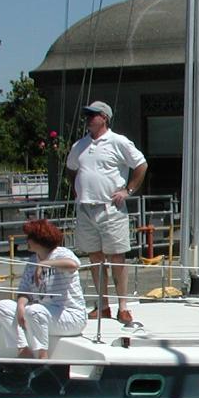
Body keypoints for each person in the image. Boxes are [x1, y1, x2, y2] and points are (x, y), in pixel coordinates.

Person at [65, 101, 147, 327]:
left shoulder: (118, 142)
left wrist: (128, 190)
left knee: (117, 257)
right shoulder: (79, 146)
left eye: (92, 115)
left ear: (104, 117)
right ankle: (102, 305)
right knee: (95, 258)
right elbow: (71, 169)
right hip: (86, 207)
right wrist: (77, 189)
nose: (88, 118)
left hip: (110, 207)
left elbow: (141, 165)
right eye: (86, 115)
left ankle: (123, 306)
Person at [0, 218, 87, 359]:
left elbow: (73, 264)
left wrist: (45, 263)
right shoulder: (32, 260)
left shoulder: (61, 253)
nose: (27, 240)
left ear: (39, 239)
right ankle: (23, 349)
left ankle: (42, 355)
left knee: (34, 311)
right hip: (44, 313)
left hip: (70, 316)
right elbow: (25, 289)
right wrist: (20, 306)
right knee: (2, 306)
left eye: (29, 238)